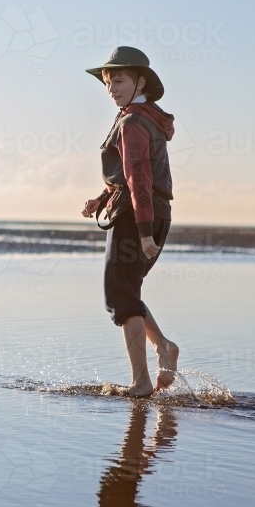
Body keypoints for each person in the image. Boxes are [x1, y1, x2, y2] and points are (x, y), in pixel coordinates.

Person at [80, 46, 180, 397]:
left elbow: (138, 177)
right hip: (151, 211)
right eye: (107, 82)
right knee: (127, 290)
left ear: (140, 81)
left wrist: (142, 231)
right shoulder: (143, 117)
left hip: (138, 216)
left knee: (120, 295)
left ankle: (141, 381)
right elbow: (130, 175)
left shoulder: (133, 121)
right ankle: (163, 348)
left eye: (118, 80)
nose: (111, 88)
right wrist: (103, 198)